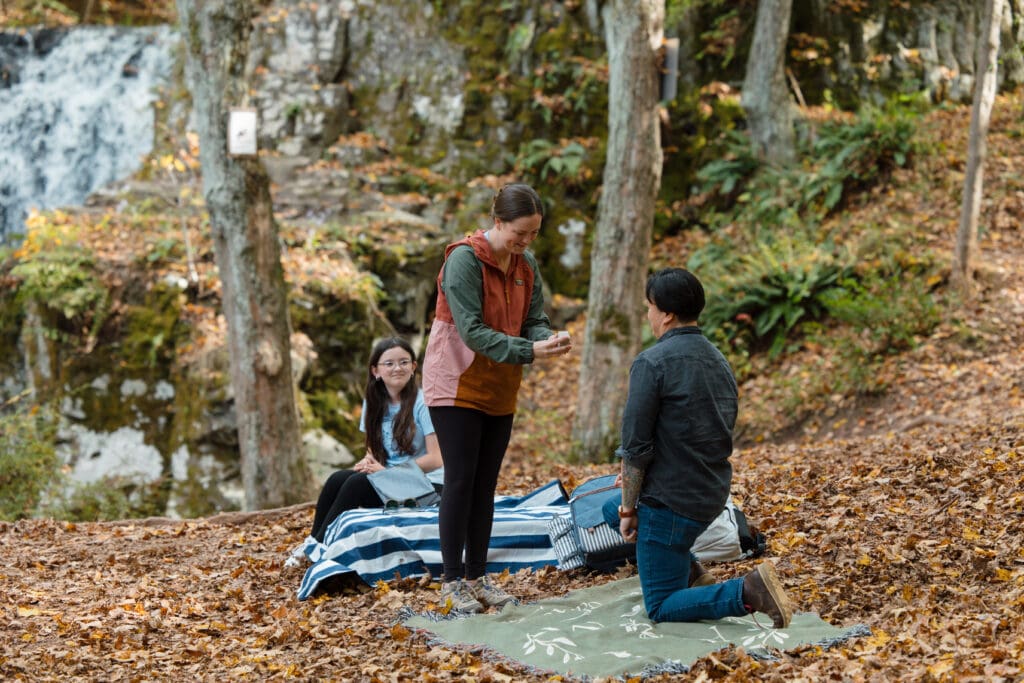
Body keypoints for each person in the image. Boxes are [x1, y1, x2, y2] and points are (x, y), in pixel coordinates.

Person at [604, 267, 795, 629]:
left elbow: (635, 447)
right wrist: (629, 492)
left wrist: (630, 508)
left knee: (660, 606)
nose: (647, 314)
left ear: (666, 313)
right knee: (606, 506)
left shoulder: (651, 362)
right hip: (710, 492)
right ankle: (690, 571)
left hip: (673, 502)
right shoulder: (718, 360)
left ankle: (747, 592)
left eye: (649, 306)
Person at [422, 182, 572, 613]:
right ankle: (453, 582)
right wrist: (530, 350)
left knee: (486, 485)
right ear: (498, 220)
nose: (524, 242)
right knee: (461, 480)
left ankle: (478, 577)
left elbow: (535, 319)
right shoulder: (464, 260)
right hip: (456, 382)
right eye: (518, 233)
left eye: (533, 235)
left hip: (500, 385)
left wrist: (548, 338)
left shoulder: (526, 266)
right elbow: (470, 331)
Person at [309, 337, 442, 543]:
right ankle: (313, 542)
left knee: (357, 484)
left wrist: (389, 473)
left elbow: (436, 459)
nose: (397, 368)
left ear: (414, 367)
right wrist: (368, 462)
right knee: (338, 479)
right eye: (389, 363)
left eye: (404, 362)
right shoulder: (372, 404)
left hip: (428, 488)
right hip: (391, 483)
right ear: (376, 371)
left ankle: (321, 546)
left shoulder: (424, 403)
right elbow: (374, 450)